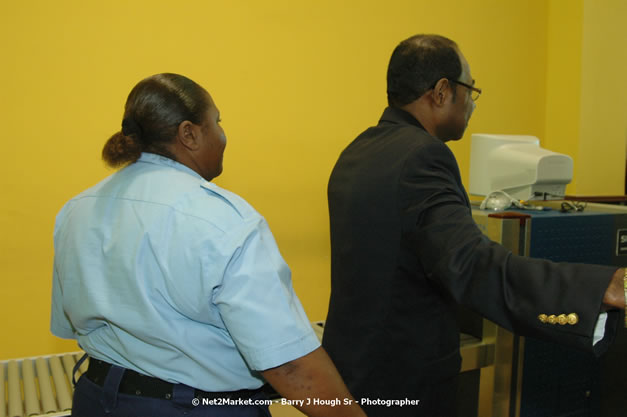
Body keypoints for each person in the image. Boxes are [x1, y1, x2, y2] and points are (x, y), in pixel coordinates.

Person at [322, 34, 626, 417]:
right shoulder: (424, 156)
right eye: (470, 89)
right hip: (405, 386)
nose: (472, 104)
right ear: (442, 91)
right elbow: (473, 264)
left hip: (352, 375)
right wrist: (602, 287)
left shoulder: (358, 151)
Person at [50, 73, 367, 417]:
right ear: (189, 134)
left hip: (97, 400)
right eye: (217, 121)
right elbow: (288, 364)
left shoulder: (77, 209)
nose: (222, 134)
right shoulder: (220, 219)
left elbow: (71, 324)